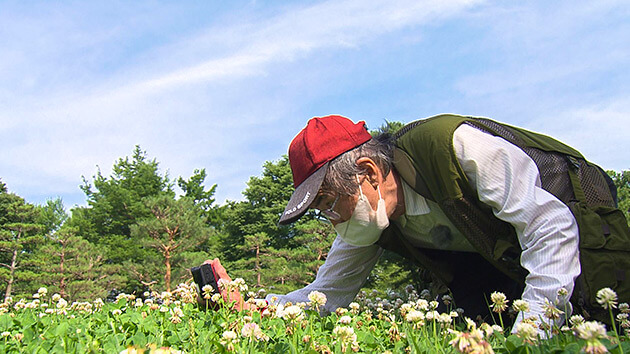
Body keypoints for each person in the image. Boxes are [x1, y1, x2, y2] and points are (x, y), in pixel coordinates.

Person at [211, 114, 630, 331]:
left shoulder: (457, 146)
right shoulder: (369, 218)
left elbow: (549, 226)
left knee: (607, 316)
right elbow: (326, 294)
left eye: (327, 202)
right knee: (483, 318)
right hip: (505, 256)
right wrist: (257, 307)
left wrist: (532, 335)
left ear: (369, 172)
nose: (330, 219)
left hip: (575, 214)